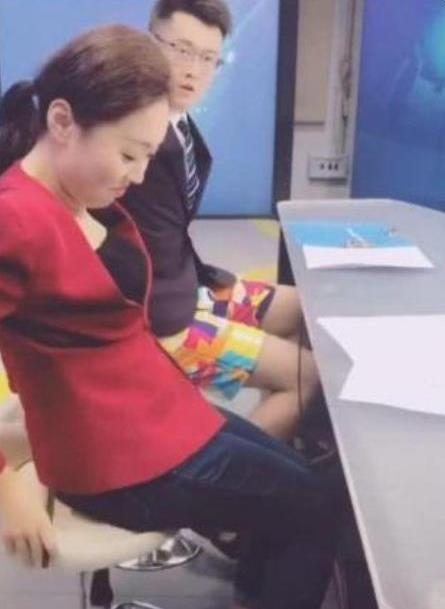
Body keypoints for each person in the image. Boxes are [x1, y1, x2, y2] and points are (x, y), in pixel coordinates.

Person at [0, 23, 344, 609]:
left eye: (146, 156)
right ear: (61, 122)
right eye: (128, 154)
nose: (137, 175)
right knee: (320, 509)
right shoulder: (16, 220)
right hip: (116, 458)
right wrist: (7, 487)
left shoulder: (77, 195)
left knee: (300, 481)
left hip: (159, 411)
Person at [122, 0, 321, 442]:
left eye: (208, 58)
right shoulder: (135, 134)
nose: (193, 70)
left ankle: (283, 429)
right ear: (149, 42)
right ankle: (235, 473)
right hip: (160, 320)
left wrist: (208, 283)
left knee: (304, 309)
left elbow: (170, 234)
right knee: (308, 377)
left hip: (189, 286)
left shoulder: (178, 122)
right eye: (181, 50)